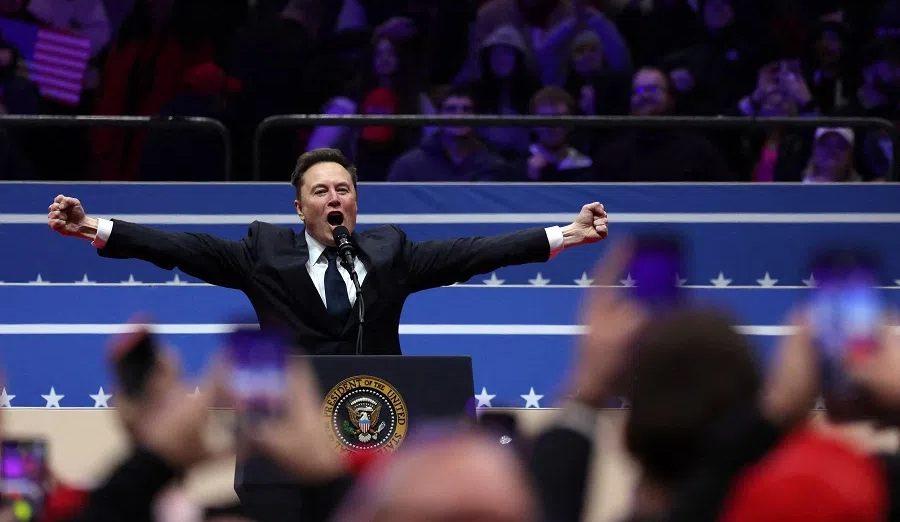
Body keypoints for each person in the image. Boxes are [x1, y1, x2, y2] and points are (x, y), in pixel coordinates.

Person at [47, 147, 610, 355]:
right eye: (321, 190)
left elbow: (475, 252)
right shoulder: (262, 253)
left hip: (378, 420)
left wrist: (566, 234)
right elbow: (178, 247)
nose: (334, 197)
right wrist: (93, 226)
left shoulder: (391, 252)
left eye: (344, 189)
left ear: (356, 203)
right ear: (300, 208)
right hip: (292, 428)